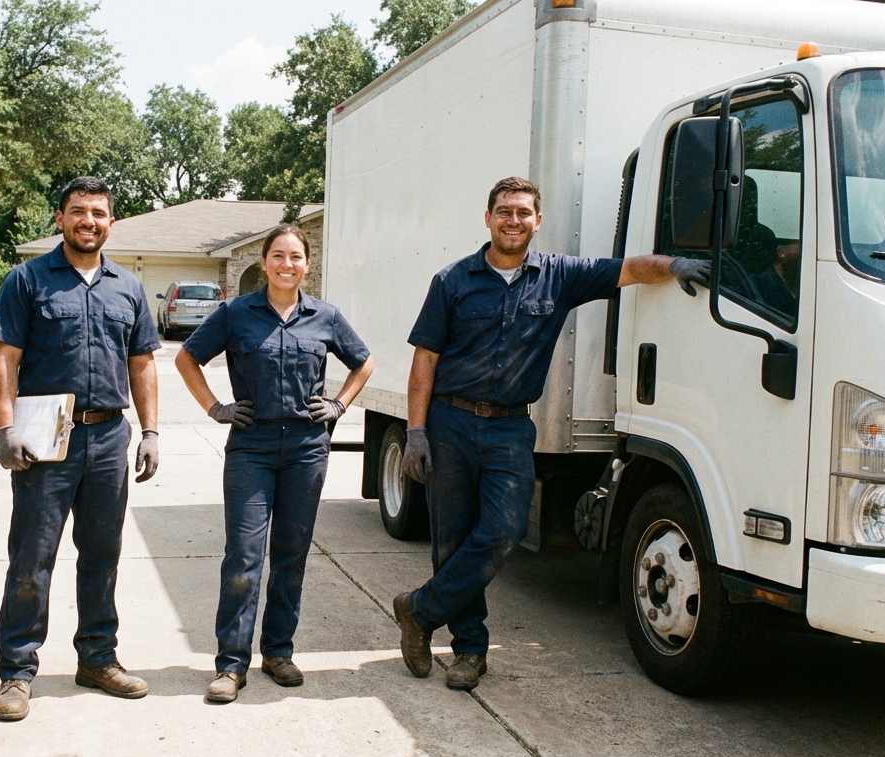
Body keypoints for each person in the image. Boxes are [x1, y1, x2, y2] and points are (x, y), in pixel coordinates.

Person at [395, 177, 710, 691]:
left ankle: (419, 610)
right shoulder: (452, 280)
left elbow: (629, 269)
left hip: (509, 426)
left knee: (503, 531)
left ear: (537, 221)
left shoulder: (559, 276)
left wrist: (673, 265)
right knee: (452, 540)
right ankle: (470, 651)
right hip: (449, 422)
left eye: (523, 212)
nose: (513, 220)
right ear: (488, 218)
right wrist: (415, 431)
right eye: (504, 211)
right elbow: (425, 359)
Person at [0, 176, 162, 721]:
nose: (89, 221)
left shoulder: (128, 288)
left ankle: (98, 659)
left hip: (108, 437)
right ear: (60, 218)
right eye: (78, 211)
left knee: (102, 553)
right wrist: (5, 429)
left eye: (98, 213)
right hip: (45, 439)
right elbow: (5, 359)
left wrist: (151, 432)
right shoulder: (27, 280)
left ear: (111, 222)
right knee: (32, 556)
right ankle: (17, 672)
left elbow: (142, 364)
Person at [175, 224, 374, 703]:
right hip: (252, 447)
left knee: (291, 554)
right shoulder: (235, 313)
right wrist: (216, 408)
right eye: (278, 256)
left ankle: (279, 652)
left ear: (308, 264)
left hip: (307, 449)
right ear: (264, 263)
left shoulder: (325, 317)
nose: (287, 264)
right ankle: (230, 665)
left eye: (296, 257)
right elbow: (186, 359)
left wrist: (340, 405)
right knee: (243, 557)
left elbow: (363, 362)